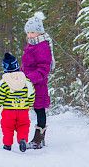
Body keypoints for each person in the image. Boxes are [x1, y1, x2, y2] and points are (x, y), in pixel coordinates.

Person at [21, 12, 55, 149]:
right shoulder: (32, 45)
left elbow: (43, 68)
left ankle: (38, 139)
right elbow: (27, 65)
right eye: (28, 32)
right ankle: (30, 137)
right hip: (29, 84)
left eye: (33, 32)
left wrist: (29, 78)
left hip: (38, 85)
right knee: (33, 109)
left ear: (39, 32)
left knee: (39, 109)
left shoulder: (42, 46)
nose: (30, 35)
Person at [0, 52, 35, 152]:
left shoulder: (4, 83)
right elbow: (31, 93)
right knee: (23, 126)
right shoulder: (26, 81)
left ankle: (7, 145)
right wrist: (30, 105)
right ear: (17, 66)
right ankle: (22, 139)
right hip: (23, 110)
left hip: (8, 111)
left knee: (7, 128)